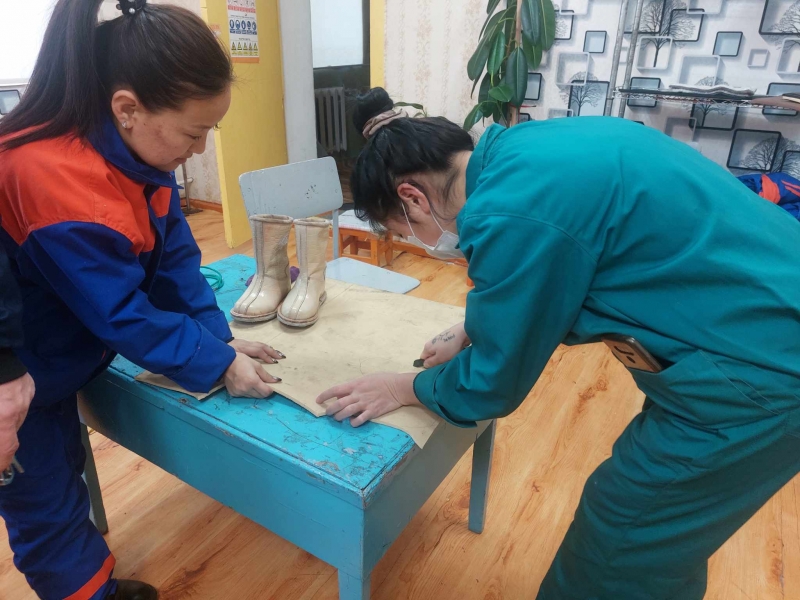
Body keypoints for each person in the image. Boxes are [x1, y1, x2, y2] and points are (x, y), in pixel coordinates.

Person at [317, 88, 800, 600]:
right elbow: (561, 263)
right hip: (759, 315)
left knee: (621, 538)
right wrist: (472, 327)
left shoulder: (507, 213)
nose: (420, 241)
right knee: (664, 541)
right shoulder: (527, 149)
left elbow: (492, 383)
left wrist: (403, 387)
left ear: (413, 197)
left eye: (407, 229)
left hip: (761, 371)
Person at [0, 1, 281, 598]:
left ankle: (91, 581)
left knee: (63, 467)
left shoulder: (135, 157)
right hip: (14, 372)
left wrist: (219, 340)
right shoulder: (54, 178)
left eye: (209, 133)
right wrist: (216, 364)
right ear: (127, 109)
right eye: (193, 133)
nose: (199, 150)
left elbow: (174, 260)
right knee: (42, 502)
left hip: (53, 354)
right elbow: (121, 312)